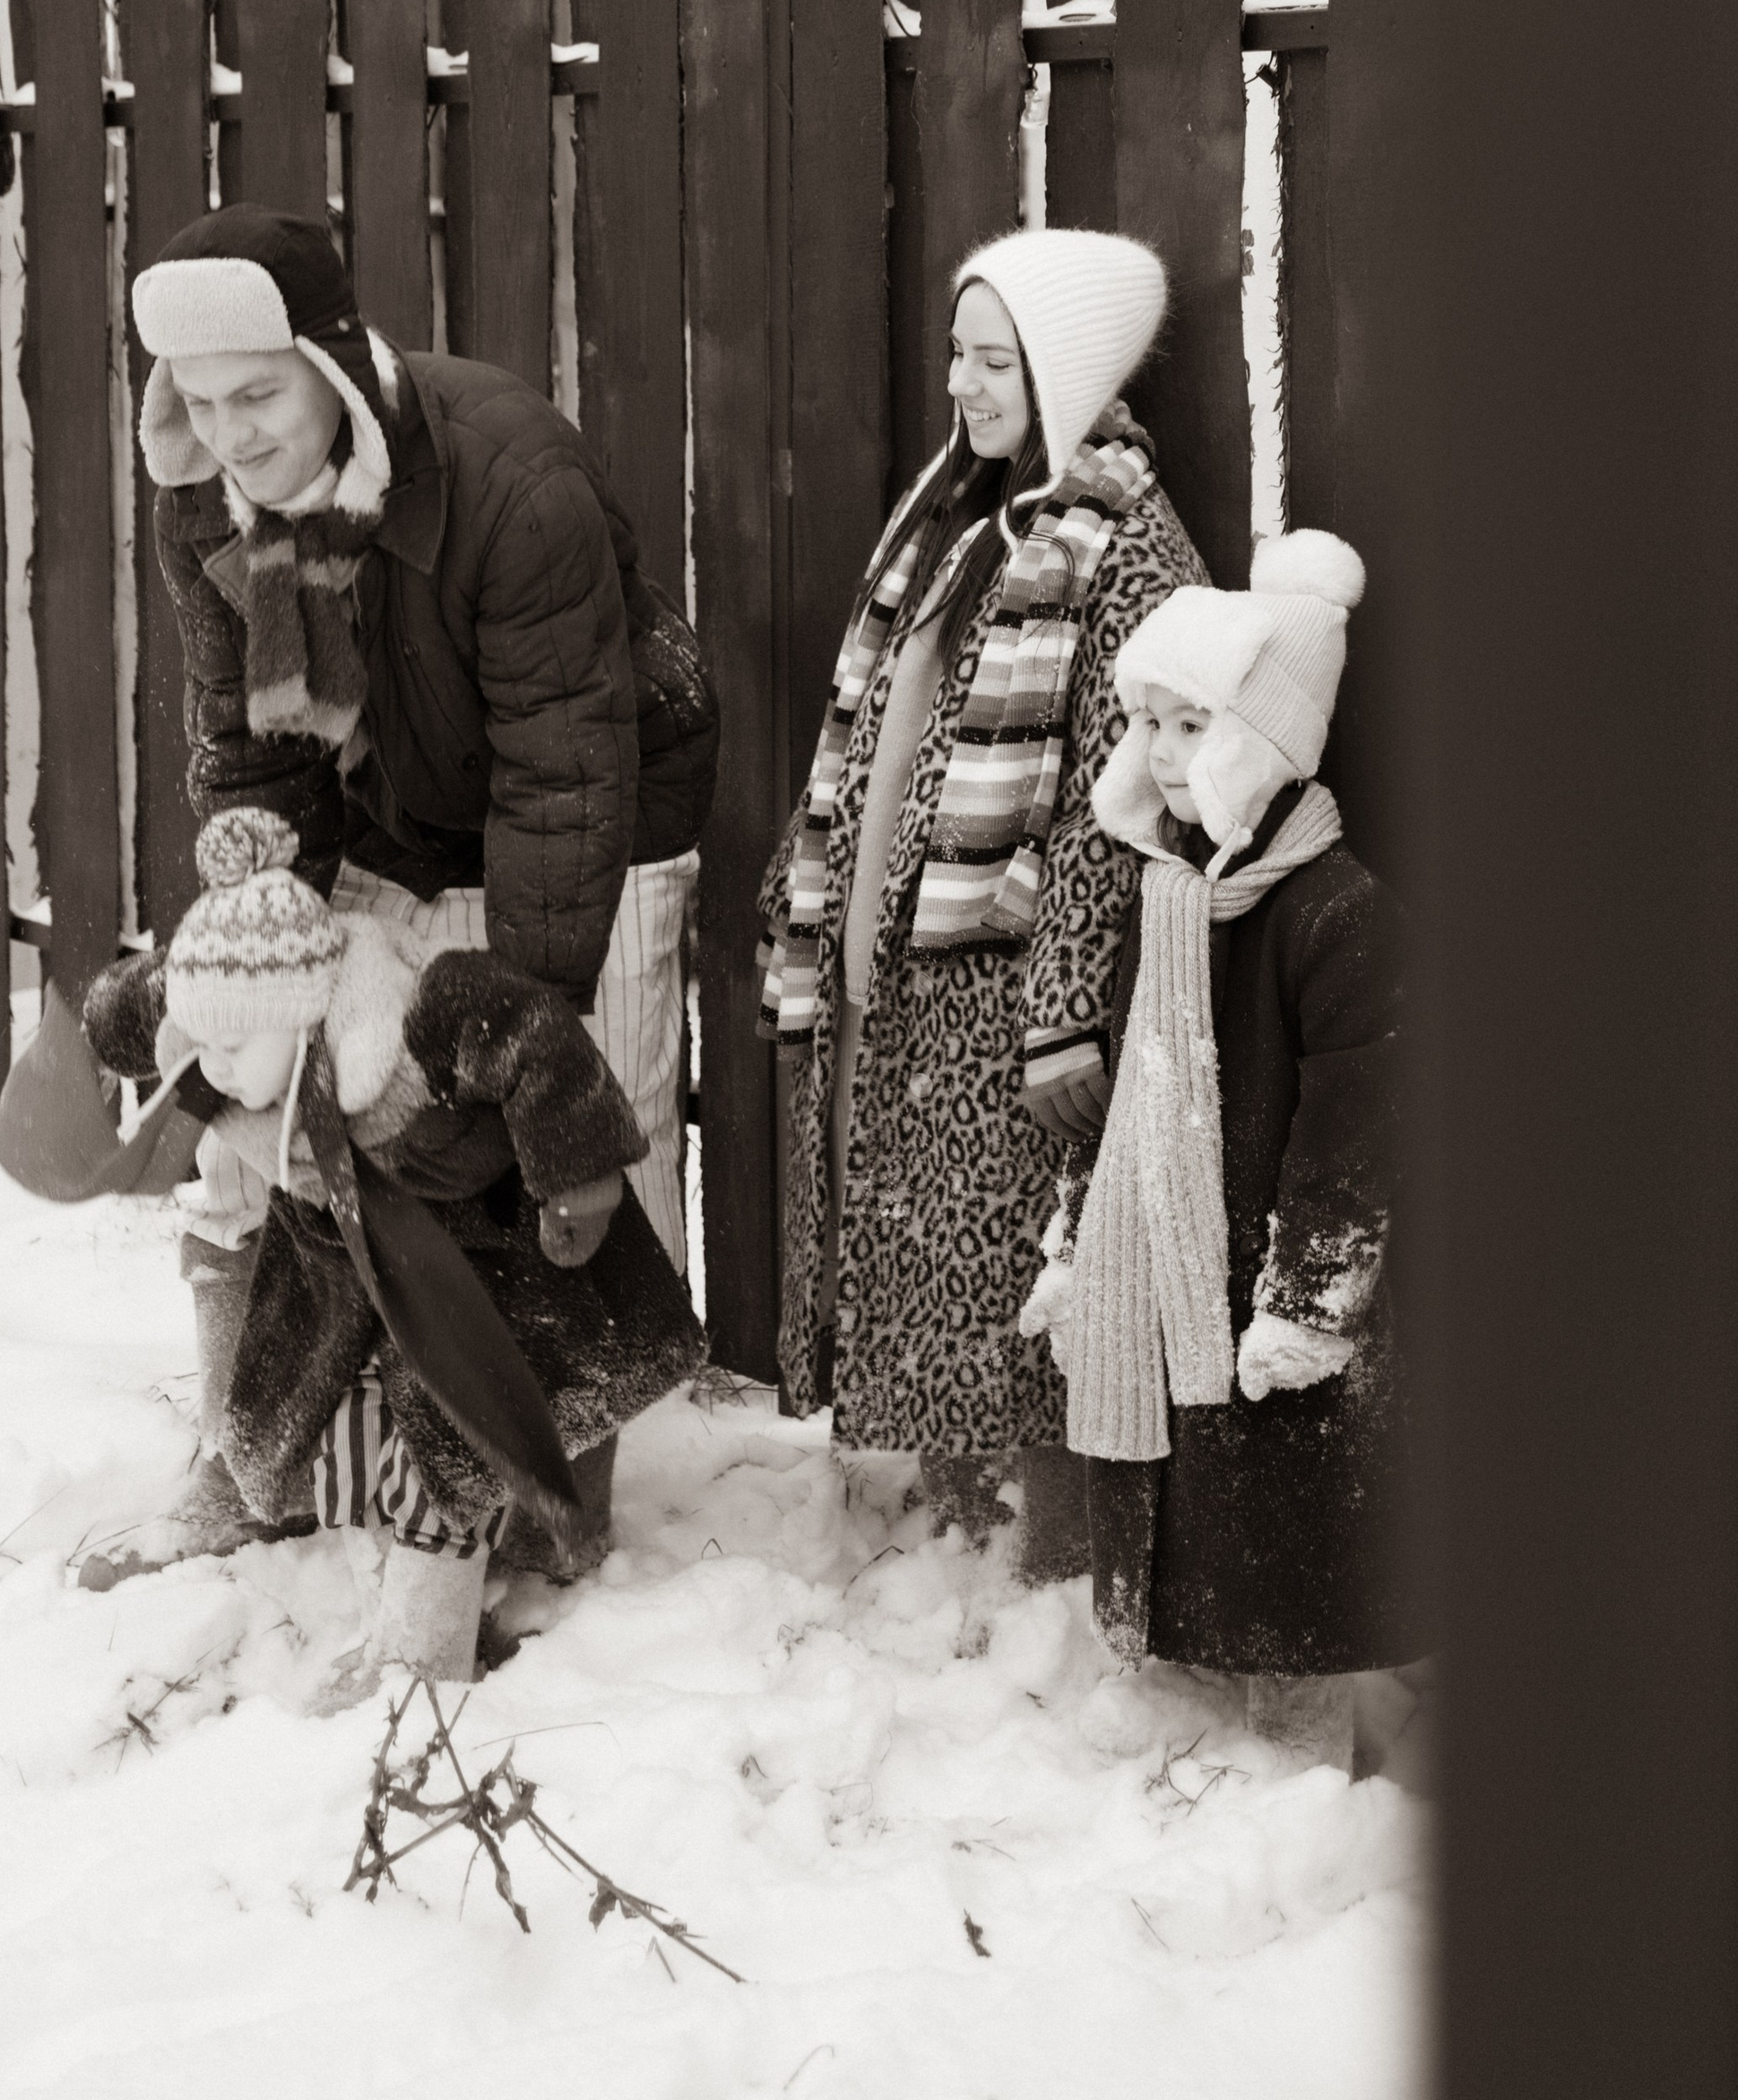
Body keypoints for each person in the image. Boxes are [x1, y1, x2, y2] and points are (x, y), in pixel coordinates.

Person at [100, 200, 716, 1567]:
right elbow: (250, 741)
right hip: (395, 811)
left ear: (328, 364)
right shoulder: (206, 493)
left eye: (258, 394)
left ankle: (552, 1502)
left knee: (576, 1146)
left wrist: (526, 1048)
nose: (231, 432)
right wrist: (267, 937)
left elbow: (561, 770)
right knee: (277, 1114)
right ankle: (253, 1455)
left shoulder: (510, 479)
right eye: (199, 400)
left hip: (595, 811)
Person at [757, 229, 1206, 1571]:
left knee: (1004, 1283)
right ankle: (958, 1535)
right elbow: (873, 719)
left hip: (999, 995)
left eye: (995, 360)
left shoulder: (1128, 555)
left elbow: (1114, 815)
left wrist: (1062, 1009)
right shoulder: (958, 516)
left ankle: (1035, 1555)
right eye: (958, 353)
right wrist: (803, 881)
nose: (960, 383)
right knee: (918, 1256)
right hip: (897, 967)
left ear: (1066, 366)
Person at [78, 808, 704, 1681]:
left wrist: (579, 1174)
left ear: (301, 1015)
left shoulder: (418, 1019)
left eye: (231, 1047)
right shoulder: (231, 1008)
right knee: (300, 1409)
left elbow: (530, 1030)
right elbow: (153, 1004)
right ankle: (313, 1516)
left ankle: (422, 1653)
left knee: (456, 1445)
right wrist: (103, 1030)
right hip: (345, 1257)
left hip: (485, 1268)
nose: (211, 1067)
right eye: (201, 1043)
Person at [1026, 537, 1417, 1767]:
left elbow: (1355, 1130)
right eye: (1147, 724)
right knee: (1205, 1538)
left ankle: (1301, 1773)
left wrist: (1306, 1304)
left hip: (1272, 1311)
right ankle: (1202, 1752)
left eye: (1191, 725)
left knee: (1289, 1559)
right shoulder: (1172, 896)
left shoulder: (1337, 916)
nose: (1159, 753)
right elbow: (1130, 1098)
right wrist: (1075, 1243)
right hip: (1174, 1283)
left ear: (1262, 739)